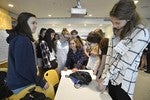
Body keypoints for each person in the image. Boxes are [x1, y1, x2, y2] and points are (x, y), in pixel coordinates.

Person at [98, 0, 150, 100]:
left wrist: (106, 77)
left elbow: (125, 61)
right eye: (112, 22)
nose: (114, 25)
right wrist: (105, 76)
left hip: (124, 81)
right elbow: (109, 56)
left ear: (129, 19)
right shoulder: (117, 32)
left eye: (117, 22)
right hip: (110, 77)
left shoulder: (141, 33)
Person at [6, 12, 49, 94]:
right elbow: (23, 68)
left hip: (17, 82)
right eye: (33, 23)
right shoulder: (23, 40)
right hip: (21, 83)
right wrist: (40, 82)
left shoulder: (18, 38)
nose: (36, 25)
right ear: (24, 24)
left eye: (36, 23)